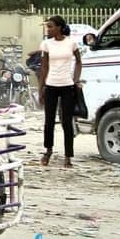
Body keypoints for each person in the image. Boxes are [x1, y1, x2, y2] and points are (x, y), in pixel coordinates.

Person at [38, 15, 82, 168]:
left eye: (50, 26)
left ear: (60, 27)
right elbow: (44, 67)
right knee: (49, 121)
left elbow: (79, 62)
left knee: (67, 123)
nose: (48, 29)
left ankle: (68, 156)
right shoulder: (46, 44)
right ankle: (48, 151)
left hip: (67, 86)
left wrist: (76, 80)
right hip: (51, 85)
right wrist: (40, 88)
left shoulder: (72, 43)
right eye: (47, 26)